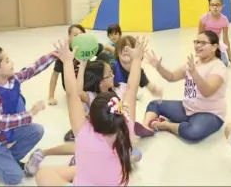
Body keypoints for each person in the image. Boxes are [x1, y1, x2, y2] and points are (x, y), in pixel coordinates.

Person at [35, 36, 148, 186]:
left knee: (44, 174)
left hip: (85, 180)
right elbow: (132, 90)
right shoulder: (126, 129)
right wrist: (136, 60)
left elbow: (71, 93)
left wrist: (68, 62)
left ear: (90, 117)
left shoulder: (84, 133)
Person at [0, 46, 57, 185]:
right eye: (7, 61)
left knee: (36, 130)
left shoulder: (12, 79)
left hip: (5, 133)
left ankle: (8, 160)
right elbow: (0, 122)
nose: (12, 62)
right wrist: (31, 112)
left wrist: (53, 55)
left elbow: (31, 70)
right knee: (15, 178)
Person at [140, 30, 227, 142]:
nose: (198, 46)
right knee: (155, 104)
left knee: (193, 133)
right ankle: (145, 127)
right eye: (197, 42)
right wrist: (158, 66)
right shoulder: (193, 62)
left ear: (214, 47)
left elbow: (207, 91)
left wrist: (194, 73)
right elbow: (171, 77)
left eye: (203, 43)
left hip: (209, 113)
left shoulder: (218, 67)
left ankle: (166, 125)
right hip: (187, 108)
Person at [48, 24, 115, 106]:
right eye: (75, 35)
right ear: (69, 38)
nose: (79, 38)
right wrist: (51, 97)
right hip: (71, 85)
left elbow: (107, 47)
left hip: (86, 80)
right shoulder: (65, 53)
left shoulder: (87, 46)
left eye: (81, 35)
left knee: (103, 56)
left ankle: (108, 86)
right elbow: (55, 75)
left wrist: (119, 56)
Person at [198, 0, 231, 67]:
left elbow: (226, 40)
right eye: (212, 5)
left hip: (216, 45)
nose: (215, 7)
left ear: (222, 6)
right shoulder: (203, 18)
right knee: (205, 63)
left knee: (224, 63)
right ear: (209, 6)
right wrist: (200, 51)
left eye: (217, 5)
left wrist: (230, 58)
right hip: (205, 45)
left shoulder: (224, 20)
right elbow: (199, 37)